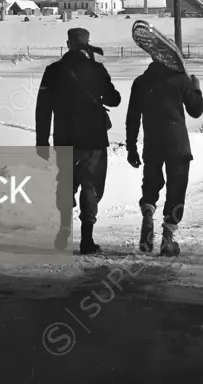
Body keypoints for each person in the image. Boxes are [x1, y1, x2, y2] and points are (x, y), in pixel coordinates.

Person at [35, 26, 121, 254]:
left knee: (65, 185)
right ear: (87, 43)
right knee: (90, 187)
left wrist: (41, 141)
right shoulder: (97, 69)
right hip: (93, 141)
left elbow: (42, 108)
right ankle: (86, 240)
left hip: (64, 139)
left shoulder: (52, 71)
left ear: (68, 43)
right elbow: (114, 99)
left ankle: (63, 233)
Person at [125, 60, 203, 256]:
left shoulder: (140, 82)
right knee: (176, 188)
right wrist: (196, 88)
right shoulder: (180, 80)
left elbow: (132, 118)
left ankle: (148, 214)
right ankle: (167, 239)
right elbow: (196, 110)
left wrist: (131, 148)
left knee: (151, 183)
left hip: (152, 143)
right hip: (177, 144)